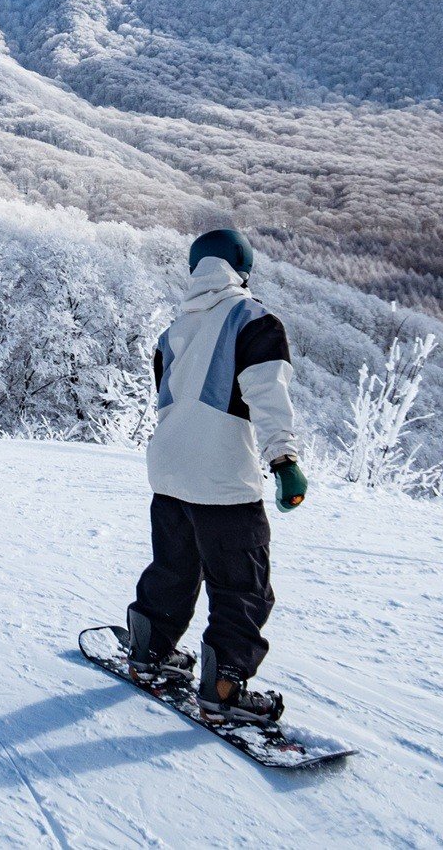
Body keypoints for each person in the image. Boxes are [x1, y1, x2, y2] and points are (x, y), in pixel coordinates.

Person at [125, 228, 310, 725]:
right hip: (222, 479)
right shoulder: (253, 320)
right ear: (242, 266)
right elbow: (267, 397)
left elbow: (167, 403)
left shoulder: (172, 331)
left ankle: (148, 650)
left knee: (174, 570)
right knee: (242, 586)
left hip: (167, 472)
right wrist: (285, 463)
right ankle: (224, 685)